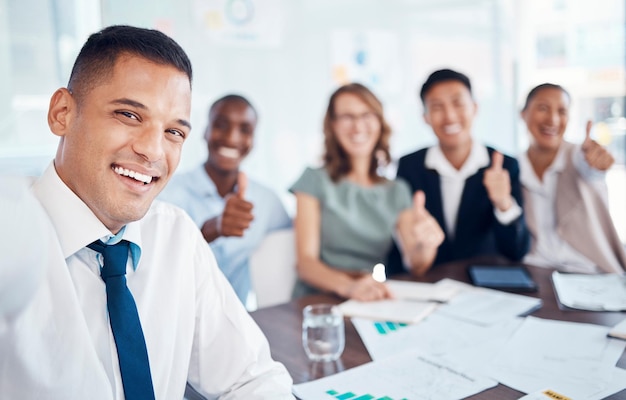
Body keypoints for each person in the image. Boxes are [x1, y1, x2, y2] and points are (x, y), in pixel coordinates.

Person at [0, 25, 294, 399]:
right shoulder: (9, 239)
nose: (154, 151)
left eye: (174, 132)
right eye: (129, 115)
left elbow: (253, 379)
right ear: (62, 113)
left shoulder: (175, 237)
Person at [289, 83, 442, 301]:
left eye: (366, 115)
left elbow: (416, 264)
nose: (358, 126)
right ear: (332, 125)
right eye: (347, 117)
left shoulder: (397, 190)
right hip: (320, 299)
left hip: (370, 297)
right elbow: (306, 264)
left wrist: (426, 245)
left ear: (379, 122)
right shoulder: (314, 180)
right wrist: (349, 287)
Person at [390, 69, 530, 276]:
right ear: (425, 117)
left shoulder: (504, 165)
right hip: (430, 282)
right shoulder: (409, 166)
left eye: (458, 104)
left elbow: (516, 251)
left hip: (485, 285)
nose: (449, 116)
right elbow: (404, 250)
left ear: (474, 108)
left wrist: (504, 204)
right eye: (437, 107)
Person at [159, 94, 292, 306]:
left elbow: (294, 244)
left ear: (254, 140)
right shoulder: (166, 192)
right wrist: (212, 229)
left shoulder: (266, 200)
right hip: (175, 315)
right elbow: (155, 261)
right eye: (221, 125)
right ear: (205, 132)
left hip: (236, 319)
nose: (232, 138)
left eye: (245, 129)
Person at [519, 83, 626, 274]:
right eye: (543, 108)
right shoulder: (515, 166)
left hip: (587, 271)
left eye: (562, 111)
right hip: (535, 270)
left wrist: (595, 163)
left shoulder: (579, 156)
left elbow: (591, 169)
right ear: (523, 114)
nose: (552, 119)